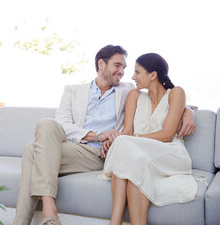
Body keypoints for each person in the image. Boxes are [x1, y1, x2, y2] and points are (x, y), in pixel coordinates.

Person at [13, 45, 196, 225]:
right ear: (101, 64)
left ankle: (40, 218)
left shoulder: (127, 90)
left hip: (104, 153)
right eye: (118, 66)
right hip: (78, 149)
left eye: (125, 67)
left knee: (32, 150)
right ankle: (48, 211)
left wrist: (188, 111)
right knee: (43, 130)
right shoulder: (73, 91)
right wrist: (97, 135)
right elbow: (63, 125)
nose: (123, 72)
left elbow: (167, 98)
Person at [101, 53, 198, 225]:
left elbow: (167, 135)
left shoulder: (175, 93)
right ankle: (118, 221)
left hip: (170, 153)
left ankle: (114, 222)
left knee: (127, 151)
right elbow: (127, 132)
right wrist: (114, 140)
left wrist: (129, 141)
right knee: (134, 168)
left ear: (153, 75)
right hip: (139, 156)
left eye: (137, 72)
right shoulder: (135, 96)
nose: (132, 76)